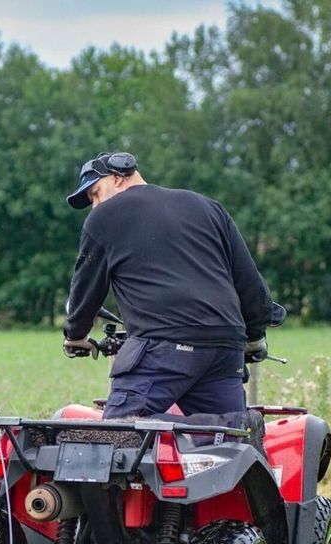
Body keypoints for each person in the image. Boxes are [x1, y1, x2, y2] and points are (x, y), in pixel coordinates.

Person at [63, 151, 276, 420]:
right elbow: (249, 282)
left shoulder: (104, 217)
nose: (95, 205)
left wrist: (75, 335)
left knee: (117, 440)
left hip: (163, 349)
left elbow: (86, 290)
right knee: (228, 440)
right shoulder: (207, 207)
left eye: (95, 193)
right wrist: (255, 336)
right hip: (225, 348)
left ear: (118, 177)